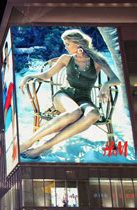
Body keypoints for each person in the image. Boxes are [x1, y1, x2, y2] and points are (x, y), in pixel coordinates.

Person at [19, 29, 121, 159]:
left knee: (93, 114)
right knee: (75, 112)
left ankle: (42, 147)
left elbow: (116, 79)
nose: (65, 47)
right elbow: (46, 75)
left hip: (84, 98)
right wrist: (27, 77)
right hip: (63, 95)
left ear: (77, 44)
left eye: (67, 43)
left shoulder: (97, 60)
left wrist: (106, 85)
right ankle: (29, 142)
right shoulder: (65, 59)